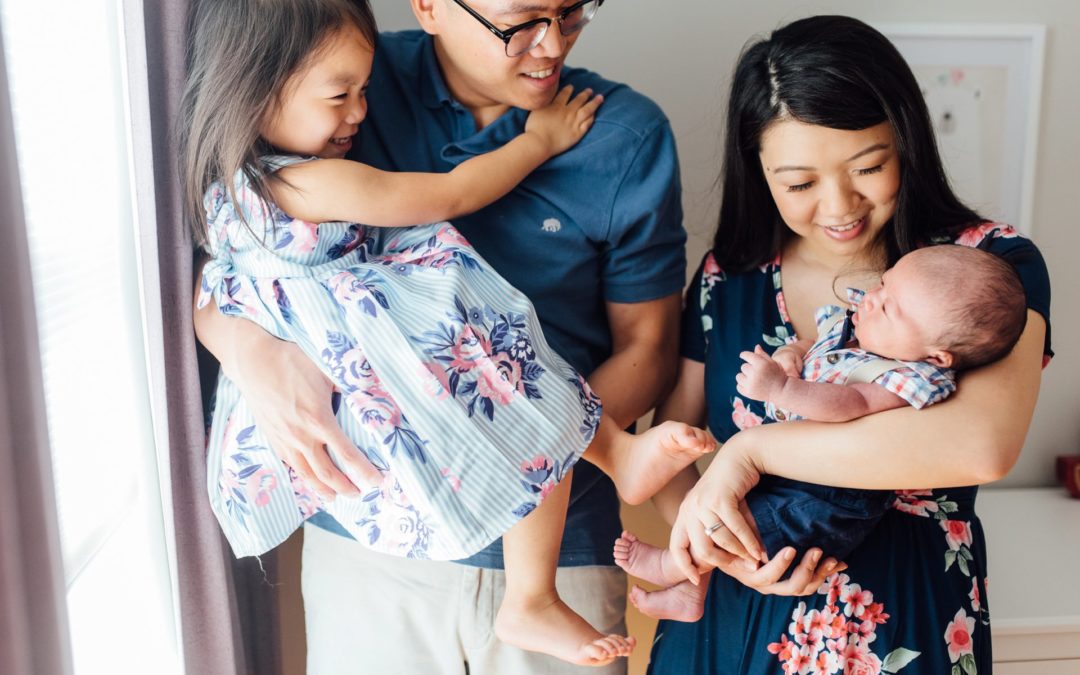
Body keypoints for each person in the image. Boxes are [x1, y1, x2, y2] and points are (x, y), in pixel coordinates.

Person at [190, 0, 759, 672]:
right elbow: (234, 281)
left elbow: (650, 351)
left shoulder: (624, 136)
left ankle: (594, 480)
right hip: (373, 541)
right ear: (429, 6)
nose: (550, 45)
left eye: (573, 11)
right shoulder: (341, 75)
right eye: (519, 20)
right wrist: (253, 353)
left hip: (558, 542)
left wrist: (521, 442)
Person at [642, 14, 1052, 674]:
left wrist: (748, 451)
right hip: (731, 613)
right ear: (760, 169)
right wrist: (721, 544)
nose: (839, 206)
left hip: (901, 620)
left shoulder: (990, 266)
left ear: (905, 142)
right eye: (800, 184)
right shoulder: (730, 276)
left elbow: (981, 443)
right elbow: (671, 444)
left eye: (869, 167)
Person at [614, 244, 1029, 623]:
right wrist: (790, 356)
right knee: (732, 517)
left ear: (936, 355)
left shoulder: (904, 377)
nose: (872, 300)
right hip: (788, 479)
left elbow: (852, 406)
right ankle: (692, 588)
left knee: (751, 526)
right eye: (882, 284)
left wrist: (782, 389)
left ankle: (672, 565)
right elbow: (812, 345)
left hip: (827, 498)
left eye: (889, 309)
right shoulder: (860, 334)